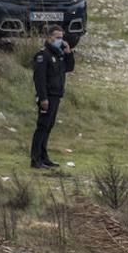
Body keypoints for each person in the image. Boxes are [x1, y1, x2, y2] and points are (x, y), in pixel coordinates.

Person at [31, 25, 75, 168]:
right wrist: (43, 98)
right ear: (49, 37)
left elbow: (69, 68)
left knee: (49, 126)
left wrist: (68, 53)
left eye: (61, 38)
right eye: (57, 38)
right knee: (42, 126)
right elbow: (39, 79)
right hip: (47, 96)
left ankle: (44, 157)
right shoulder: (43, 56)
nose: (60, 40)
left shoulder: (59, 54)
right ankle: (35, 159)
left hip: (56, 95)